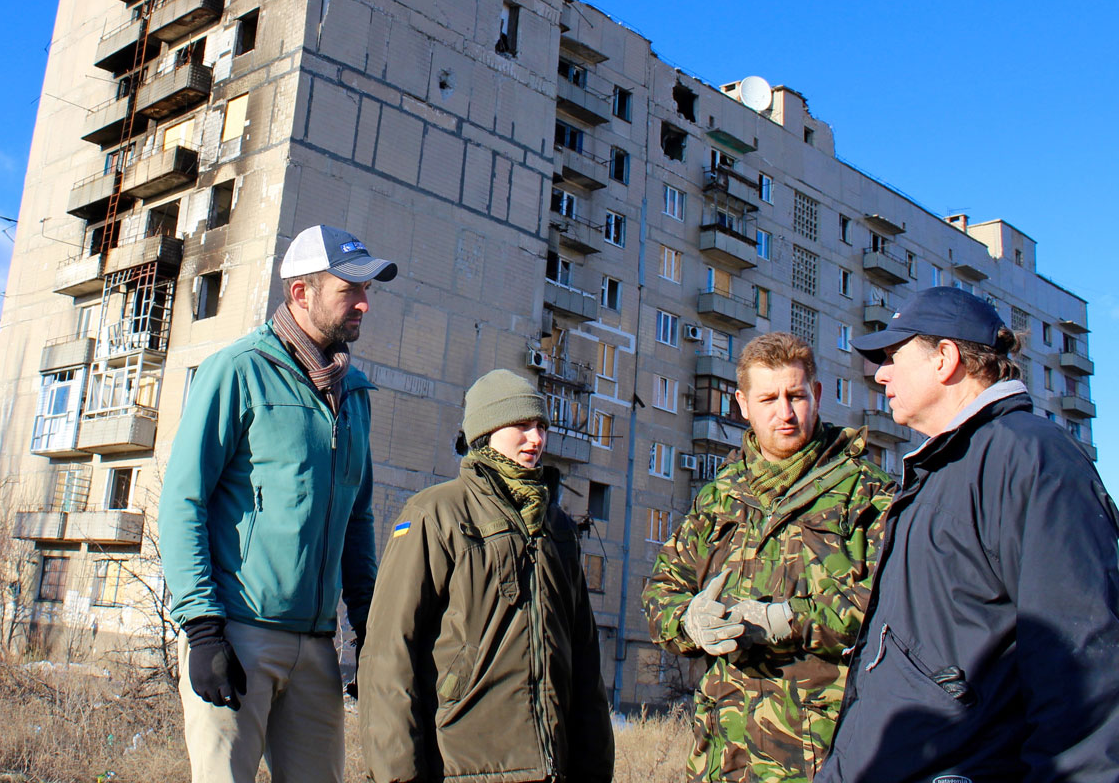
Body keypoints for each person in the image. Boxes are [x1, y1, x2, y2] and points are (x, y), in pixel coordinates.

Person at [816, 286, 1119, 783]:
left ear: (945, 359)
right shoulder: (942, 471)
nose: (881, 373)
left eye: (894, 355)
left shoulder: (1029, 459)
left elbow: (1083, 671)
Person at [159, 225, 396, 783]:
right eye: (349, 290)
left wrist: (368, 627)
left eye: (368, 291)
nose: (364, 303)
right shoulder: (237, 371)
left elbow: (356, 522)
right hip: (238, 635)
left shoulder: (354, 393)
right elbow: (183, 500)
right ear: (301, 293)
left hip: (317, 647)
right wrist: (202, 628)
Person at [643, 332, 895, 782]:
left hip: (825, 756)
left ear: (816, 395)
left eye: (795, 395)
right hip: (724, 757)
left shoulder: (868, 493)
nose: (784, 413)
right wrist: (689, 621)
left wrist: (784, 620)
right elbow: (661, 590)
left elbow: (890, 613)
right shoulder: (720, 496)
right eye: (768, 399)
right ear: (742, 403)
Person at [359, 369, 614, 783]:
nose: (536, 439)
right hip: (463, 767)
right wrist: (397, 775)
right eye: (521, 426)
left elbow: (585, 664)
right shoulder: (436, 514)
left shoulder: (558, 528)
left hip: (554, 769)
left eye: (542, 427)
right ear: (487, 430)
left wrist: (595, 769)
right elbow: (388, 652)